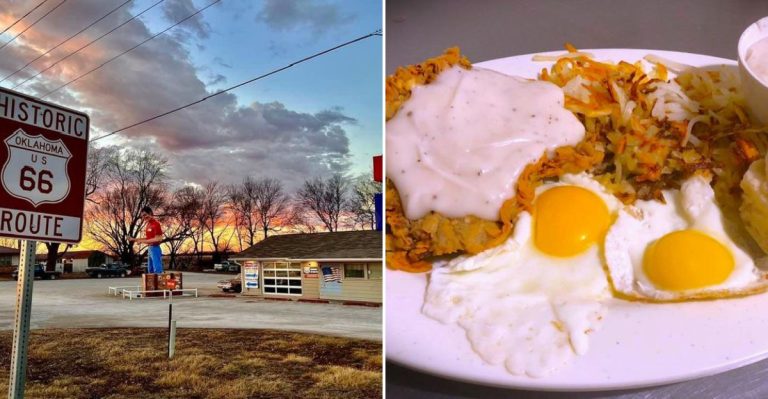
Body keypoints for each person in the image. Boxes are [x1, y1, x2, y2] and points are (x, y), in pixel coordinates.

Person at [128, 206, 164, 274]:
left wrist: (141, 241)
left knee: (157, 269)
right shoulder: (148, 225)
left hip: (155, 248)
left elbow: (158, 238)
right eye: (142, 216)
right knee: (150, 270)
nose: (144, 217)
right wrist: (134, 239)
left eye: (145, 215)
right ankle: (152, 284)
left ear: (150, 213)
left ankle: (158, 284)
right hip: (150, 249)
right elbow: (148, 239)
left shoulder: (156, 224)